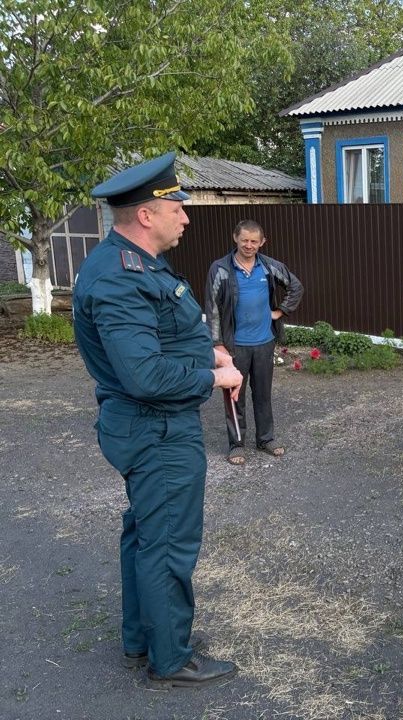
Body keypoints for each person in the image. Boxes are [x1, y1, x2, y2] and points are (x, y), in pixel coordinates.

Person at [73, 152, 244, 688]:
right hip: (156, 429)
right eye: (177, 208)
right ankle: (170, 658)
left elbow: (159, 336)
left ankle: (143, 637)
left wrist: (207, 352)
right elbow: (144, 375)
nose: (186, 218)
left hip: (148, 425)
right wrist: (213, 376)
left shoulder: (131, 262)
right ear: (146, 215)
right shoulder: (121, 277)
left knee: (147, 532)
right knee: (167, 541)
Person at [205, 220, 303, 465]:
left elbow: (295, 287)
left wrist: (280, 311)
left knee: (263, 394)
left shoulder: (269, 267)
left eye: (254, 241)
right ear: (235, 238)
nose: (249, 245)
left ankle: (265, 439)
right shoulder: (220, 269)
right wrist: (217, 343)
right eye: (244, 240)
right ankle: (236, 444)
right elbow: (213, 308)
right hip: (234, 347)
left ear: (262, 242)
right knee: (234, 396)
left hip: (264, 343)